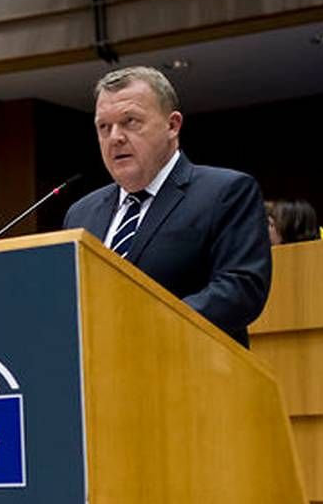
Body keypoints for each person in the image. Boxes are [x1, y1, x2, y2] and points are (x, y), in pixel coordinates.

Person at [63, 66, 272, 347]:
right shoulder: (81, 213)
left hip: (193, 373)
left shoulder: (225, 192)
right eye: (104, 127)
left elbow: (239, 291)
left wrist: (144, 323)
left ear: (172, 126)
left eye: (130, 121)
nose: (115, 137)